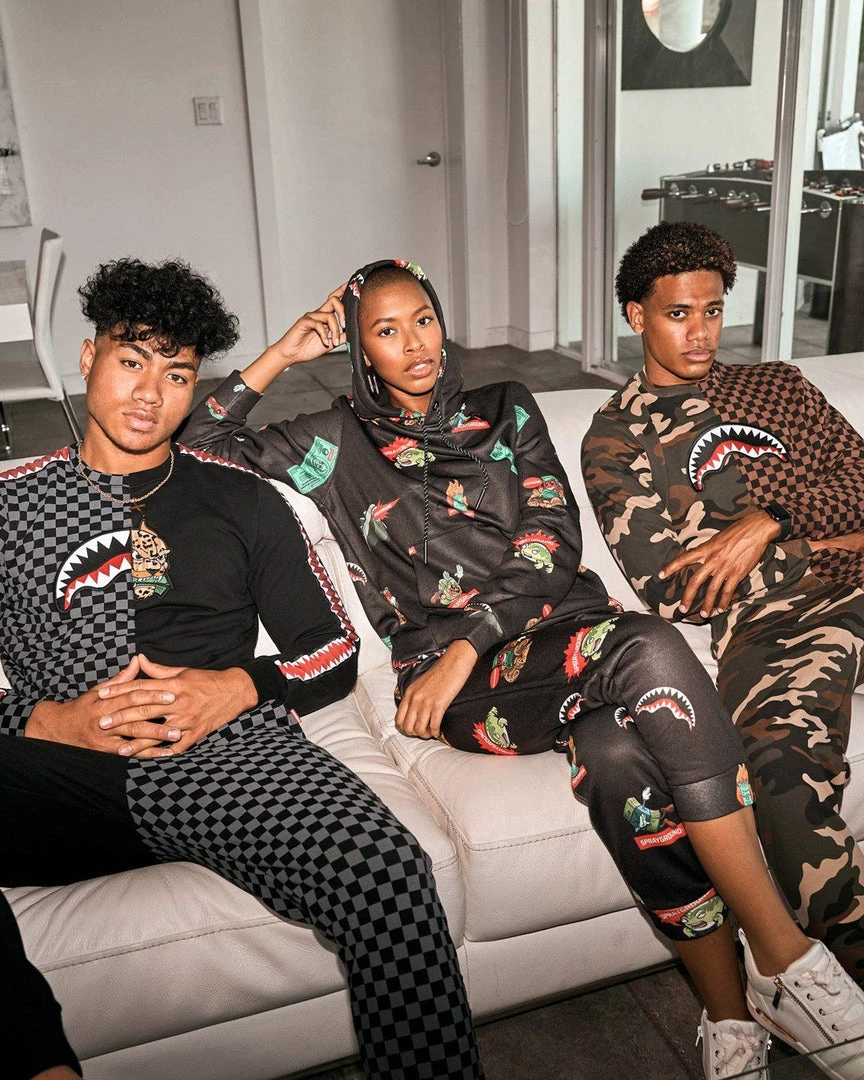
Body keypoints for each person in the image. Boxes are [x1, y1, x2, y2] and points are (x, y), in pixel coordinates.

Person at [182, 257, 864, 1078]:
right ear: (360, 349)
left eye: (424, 320)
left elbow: (551, 539)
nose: (415, 344)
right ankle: (785, 957)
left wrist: (470, 638)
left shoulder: (506, 405)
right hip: (462, 683)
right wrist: (285, 352)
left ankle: (729, 1015)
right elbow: (194, 450)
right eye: (387, 331)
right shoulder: (329, 441)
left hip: (554, 636)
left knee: (617, 759)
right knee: (650, 643)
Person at [0, 258, 483, 1080]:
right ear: (87, 358)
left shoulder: (240, 496)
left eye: (176, 374)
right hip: (66, 774)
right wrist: (41, 721)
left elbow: (332, 647)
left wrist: (242, 686)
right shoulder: (14, 503)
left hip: (228, 760)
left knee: (388, 871)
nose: (150, 393)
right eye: (131, 361)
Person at [581, 219, 864, 980]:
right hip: (775, 626)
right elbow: (678, 589)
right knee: (781, 786)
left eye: (712, 311)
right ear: (637, 316)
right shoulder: (617, 439)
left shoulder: (777, 386)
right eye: (678, 313)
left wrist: (766, 523)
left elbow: (862, 478)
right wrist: (828, 539)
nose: (701, 333)